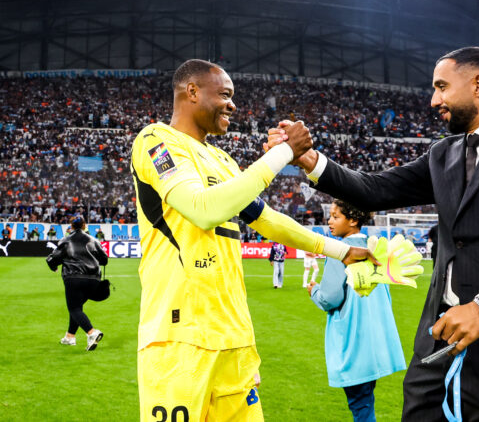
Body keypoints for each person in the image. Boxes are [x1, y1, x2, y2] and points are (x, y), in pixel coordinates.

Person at [277, 46, 479, 422]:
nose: (433, 99)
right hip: (438, 342)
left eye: (441, 87)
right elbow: (374, 189)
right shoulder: (443, 153)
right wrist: (310, 160)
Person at [130, 59, 374, 421]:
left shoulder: (224, 161)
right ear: (192, 91)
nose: (233, 105)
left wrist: (342, 250)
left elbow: (268, 221)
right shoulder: (156, 139)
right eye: (225, 95)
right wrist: (283, 153)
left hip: (234, 337)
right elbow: (202, 208)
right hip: (180, 337)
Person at [309, 200, 406, 422]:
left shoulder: (340, 252)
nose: (330, 221)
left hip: (353, 343)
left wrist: (314, 292)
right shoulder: (375, 249)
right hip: (375, 341)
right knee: (364, 402)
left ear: (353, 220)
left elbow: (331, 299)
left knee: (361, 408)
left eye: (336, 216)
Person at [48, 216, 109, 350]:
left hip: (73, 278)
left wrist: (54, 267)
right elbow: (104, 259)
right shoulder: (93, 240)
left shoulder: (66, 240)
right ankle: (70, 337)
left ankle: (92, 333)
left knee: (74, 308)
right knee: (77, 307)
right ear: (84, 225)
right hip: (93, 280)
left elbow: (52, 258)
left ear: (71, 226)